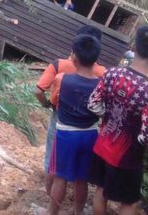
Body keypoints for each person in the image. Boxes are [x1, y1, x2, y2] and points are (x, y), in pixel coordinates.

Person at [87, 25, 148, 215]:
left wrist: (109, 117)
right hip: (127, 157)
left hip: (102, 145)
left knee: (101, 190)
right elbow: (147, 137)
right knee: (129, 203)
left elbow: (92, 104)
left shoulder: (112, 74)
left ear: (134, 46)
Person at [35, 25, 107, 198]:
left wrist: (47, 104)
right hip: (88, 125)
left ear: (74, 46)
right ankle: (77, 207)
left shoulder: (59, 65)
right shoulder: (103, 73)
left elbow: (38, 91)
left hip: (61, 119)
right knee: (81, 171)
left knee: (53, 160)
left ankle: (49, 198)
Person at [44, 34, 102, 215]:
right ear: (96, 59)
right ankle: (78, 212)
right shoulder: (101, 84)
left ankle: (52, 212)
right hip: (90, 135)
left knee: (60, 177)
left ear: (74, 57)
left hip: (66, 135)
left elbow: (54, 102)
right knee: (81, 179)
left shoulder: (62, 79)